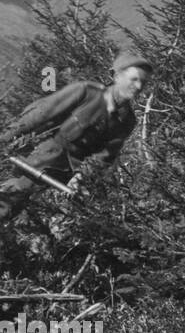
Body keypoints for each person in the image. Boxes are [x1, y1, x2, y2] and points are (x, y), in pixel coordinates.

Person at [0, 52, 153, 222]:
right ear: (116, 76)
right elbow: (39, 114)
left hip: (66, 175)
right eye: (134, 79)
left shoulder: (127, 121)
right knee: (10, 199)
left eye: (143, 82)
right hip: (40, 156)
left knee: (26, 214)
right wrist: (4, 138)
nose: (138, 86)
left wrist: (80, 178)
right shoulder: (86, 92)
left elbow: (104, 157)